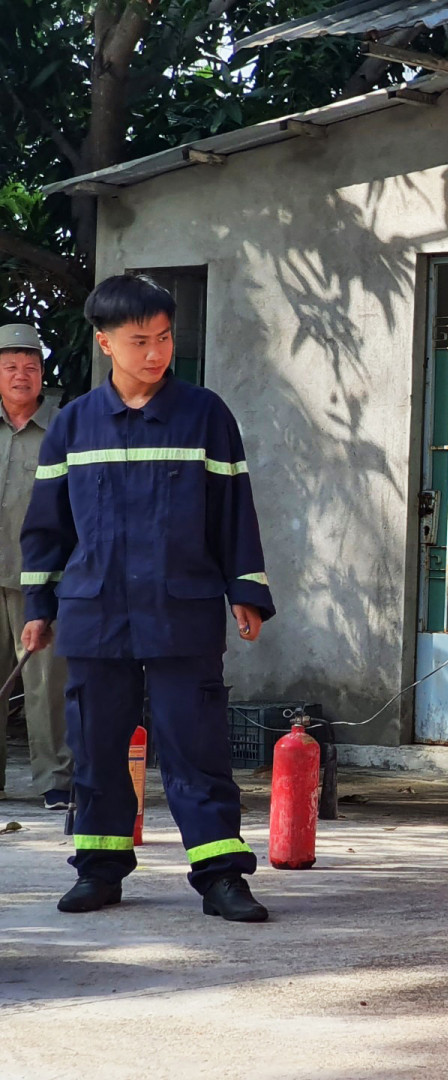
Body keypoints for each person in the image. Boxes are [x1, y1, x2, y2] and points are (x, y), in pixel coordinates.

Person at [20, 274, 277, 922]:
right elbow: (47, 529)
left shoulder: (205, 416)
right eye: (140, 341)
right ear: (105, 342)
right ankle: (100, 870)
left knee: (197, 748)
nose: (156, 352)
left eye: (164, 338)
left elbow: (232, 512)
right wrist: (38, 609)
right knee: (98, 748)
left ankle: (221, 875)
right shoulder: (73, 427)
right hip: (96, 613)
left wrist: (245, 588)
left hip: (180, 612)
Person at [0, 324, 73, 809]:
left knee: (48, 684)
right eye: (10, 367)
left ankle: (55, 780)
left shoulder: (65, 427)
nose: (21, 375)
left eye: (30, 367)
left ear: (42, 374)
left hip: (41, 578)